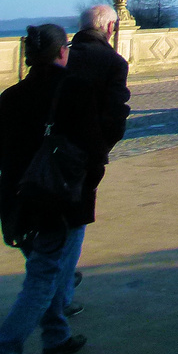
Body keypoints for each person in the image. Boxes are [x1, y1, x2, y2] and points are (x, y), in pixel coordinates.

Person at [0, 25, 105, 354]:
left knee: (48, 269)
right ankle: (7, 342)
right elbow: (95, 150)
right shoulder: (78, 90)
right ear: (63, 51)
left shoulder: (10, 97)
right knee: (44, 277)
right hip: (62, 198)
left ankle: (56, 337)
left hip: (19, 199)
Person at [60, 5, 131, 317]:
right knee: (75, 224)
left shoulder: (62, 56)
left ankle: (59, 278)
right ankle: (60, 291)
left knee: (54, 221)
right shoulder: (113, 62)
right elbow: (116, 115)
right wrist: (102, 147)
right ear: (111, 28)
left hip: (52, 152)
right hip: (86, 154)